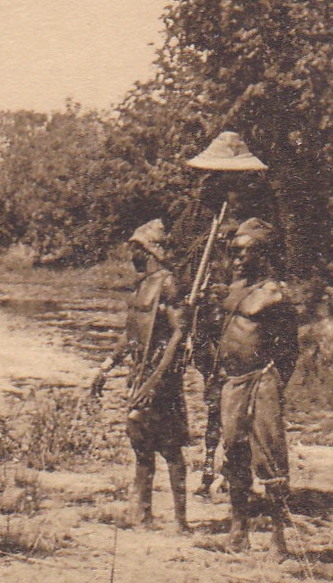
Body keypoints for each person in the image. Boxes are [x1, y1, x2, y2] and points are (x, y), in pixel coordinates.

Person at [176, 130, 274, 499]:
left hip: (245, 312)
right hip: (209, 313)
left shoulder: (261, 208)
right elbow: (186, 257)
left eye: (231, 176)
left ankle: (243, 473)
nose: (225, 183)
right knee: (213, 388)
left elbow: (268, 265)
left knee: (247, 390)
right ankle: (209, 467)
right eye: (219, 175)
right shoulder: (202, 208)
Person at [89, 218, 191, 531]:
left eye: (136, 250)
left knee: (170, 447)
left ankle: (180, 520)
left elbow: (180, 333)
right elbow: (130, 336)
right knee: (141, 443)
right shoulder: (140, 287)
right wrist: (106, 367)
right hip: (140, 372)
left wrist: (156, 379)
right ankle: (142, 515)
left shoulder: (168, 283)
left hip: (161, 375)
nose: (132, 256)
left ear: (148, 250)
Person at [212, 218, 301, 554]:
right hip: (232, 382)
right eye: (233, 252)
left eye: (244, 252)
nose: (236, 258)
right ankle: (238, 529)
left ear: (262, 254)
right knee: (234, 451)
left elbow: (290, 348)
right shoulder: (230, 293)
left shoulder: (275, 295)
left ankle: (279, 537)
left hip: (262, 380)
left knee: (270, 456)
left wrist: (275, 382)